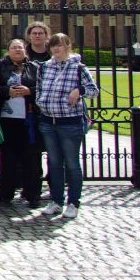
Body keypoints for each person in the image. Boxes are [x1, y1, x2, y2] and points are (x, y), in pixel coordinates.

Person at [35, 33, 98, 219]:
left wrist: (80, 90)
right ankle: (56, 201)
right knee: (54, 163)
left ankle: (73, 202)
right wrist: (41, 101)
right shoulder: (45, 67)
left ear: (68, 46)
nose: (56, 49)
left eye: (60, 45)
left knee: (71, 163)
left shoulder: (79, 68)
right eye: (53, 46)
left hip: (70, 122)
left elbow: (94, 90)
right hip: (48, 120)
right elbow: (39, 88)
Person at [0, 38, 42, 208]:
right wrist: (8, 91)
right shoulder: (0, 66)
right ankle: (6, 194)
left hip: (29, 120)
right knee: (7, 158)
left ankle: (33, 194)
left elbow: (43, 88)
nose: (17, 50)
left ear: (25, 50)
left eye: (20, 48)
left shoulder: (34, 68)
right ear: (8, 50)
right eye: (14, 47)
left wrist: (29, 91)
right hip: (7, 120)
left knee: (31, 158)